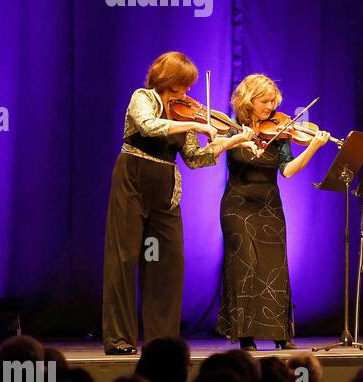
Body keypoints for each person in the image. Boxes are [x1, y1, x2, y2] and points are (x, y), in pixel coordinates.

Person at [102, 52, 255, 355]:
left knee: (167, 262)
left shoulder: (184, 114)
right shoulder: (143, 97)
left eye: (187, 87)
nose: (186, 93)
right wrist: (195, 127)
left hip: (165, 186)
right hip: (133, 178)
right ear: (167, 80)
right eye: (181, 86)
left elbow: (196, 159)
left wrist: (232, 141)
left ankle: (162, 342)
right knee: (124, 258)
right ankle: (120, 339)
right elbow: (147, 126)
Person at [217, 74, 331, 352]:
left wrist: (313, 148)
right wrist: (241, 141)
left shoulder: (280, 132)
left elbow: (288, 171)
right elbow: (227, 154)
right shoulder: (233, 130)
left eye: (273, 102)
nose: (270, 107)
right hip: (238, 206)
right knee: (245, 265)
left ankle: (281, 335)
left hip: (270, 206)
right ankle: (246, 336)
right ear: (249, 101)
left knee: (273, 267)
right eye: (265, 101)